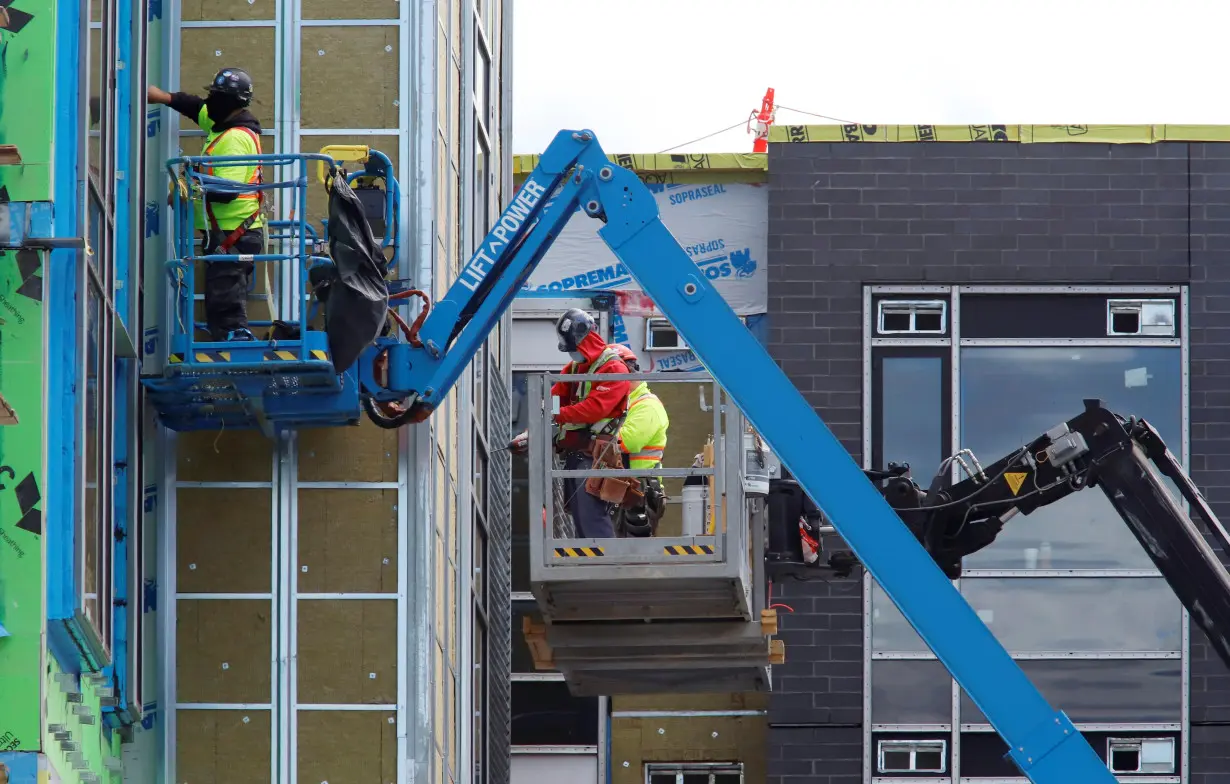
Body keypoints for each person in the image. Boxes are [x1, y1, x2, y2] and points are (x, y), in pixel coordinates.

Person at [148, 68, 264, 342]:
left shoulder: (234, 138)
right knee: (222, 293)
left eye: (215, 95)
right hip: (228, 232)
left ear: (230, 102)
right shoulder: (222, 124)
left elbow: (226, 192)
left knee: (226, 298)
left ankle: (236, 342)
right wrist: (163, 97)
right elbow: (196, 107)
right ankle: (230, 337)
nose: (209, 100)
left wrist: (187, 189)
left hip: (233, 232)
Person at [548, 308, 632, 539]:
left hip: (598, 454)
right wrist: (545, 418)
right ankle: (591, 563)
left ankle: (606, 566)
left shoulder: (614, 368)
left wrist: (558, 415)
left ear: (584, 341)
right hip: (578, 455)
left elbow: (596, 408)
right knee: (580, 517)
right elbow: (556, 394)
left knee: (592, 517)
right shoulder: (576, 367)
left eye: (574, 349)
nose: (573, 355)